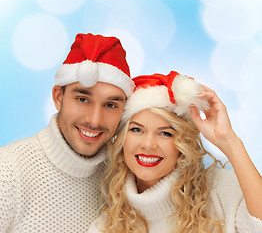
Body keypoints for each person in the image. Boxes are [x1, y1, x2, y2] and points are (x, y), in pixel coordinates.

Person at [88, 71, 262, 233]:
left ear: (183, 142)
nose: (148, 145)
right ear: (121, 139)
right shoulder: (105, 227)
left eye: (165, 133)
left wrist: (230, 141)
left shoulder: (220, 190)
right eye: (136, 130)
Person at [0, 33, 134, 232]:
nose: (94, 120)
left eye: (110, 105)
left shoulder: (121, 177)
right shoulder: (8, 173)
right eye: (83, 99)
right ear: (58, 97)